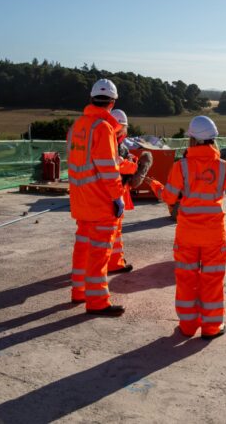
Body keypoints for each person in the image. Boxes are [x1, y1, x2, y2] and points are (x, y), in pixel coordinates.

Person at [149, 116, 226, 339]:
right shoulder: (223, 167)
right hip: (214, 236)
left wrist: (156, 187)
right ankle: (212, 327)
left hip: (187, 234)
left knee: (186, 280)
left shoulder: (181, 167)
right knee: (212, 281)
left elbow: (169, 198)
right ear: (213, 140)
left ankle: (188, 327)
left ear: (191, 139)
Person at [67, 78, 127, 316]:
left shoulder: (79, 125)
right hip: (100, 202)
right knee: (99, 254)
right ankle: (97, 302)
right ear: (112, 103)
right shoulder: (103, 127)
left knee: (82, 248)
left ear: (91, 98)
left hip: (80, 200)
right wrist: (117, 197)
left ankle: (79, 292)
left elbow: (80, 163)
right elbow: (107, 167)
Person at [106, 108, 139, 274]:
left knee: (112, 232)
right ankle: (112, 263)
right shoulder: (113, 145)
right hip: (113, 194)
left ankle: (113, 262)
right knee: (112, 232)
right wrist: (133, 165)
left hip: (106, 193)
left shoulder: (108, 141)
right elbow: (120, 166)